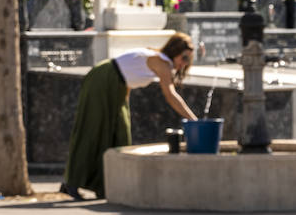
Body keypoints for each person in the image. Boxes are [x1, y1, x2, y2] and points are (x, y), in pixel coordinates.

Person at [59, 34, 197, 200]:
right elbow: (170, 95)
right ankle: (71, 182)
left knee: (120, 134)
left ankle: (105, 186)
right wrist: (193, 120)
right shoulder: (161, 62)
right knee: (92, 129)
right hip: (103, 80)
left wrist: (123, 101)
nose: (184, 63)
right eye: (184, 57)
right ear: (174, 51)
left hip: (117, 86)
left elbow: (127, 76)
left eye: (188, 59)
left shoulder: (159, 60)